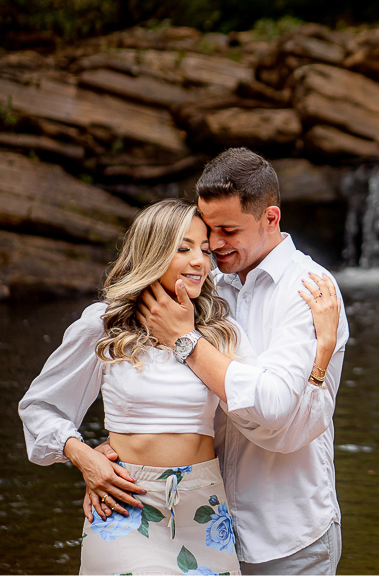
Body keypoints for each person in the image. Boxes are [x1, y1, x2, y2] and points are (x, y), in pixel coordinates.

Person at [18, 198, 341, 574]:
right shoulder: (105, 325)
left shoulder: (221, 331)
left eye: (204, 251)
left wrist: (323, 352)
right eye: (183, 248)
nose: (200, 261)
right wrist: (85, 458)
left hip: (204, 508)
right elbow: (40, 406)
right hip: (127, 501)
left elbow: (269, 411)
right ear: (153, 251)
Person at [91, 148, 349, 575]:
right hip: (200, 525)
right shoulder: (203, 280)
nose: (213, 245)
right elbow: (141, 374)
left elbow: (273, 412)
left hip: (285, 534)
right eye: (208, 230)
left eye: (228, 230)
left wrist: (187, 341)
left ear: (271, 218)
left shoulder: (308, 291)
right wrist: (110, 457)